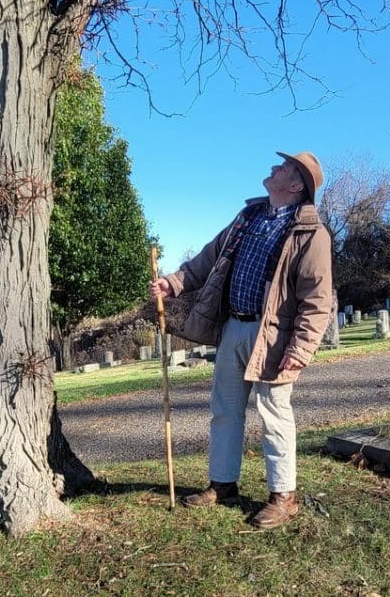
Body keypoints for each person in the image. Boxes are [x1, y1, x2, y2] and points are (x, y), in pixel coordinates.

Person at [149, 151, 333, 529]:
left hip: (276, 338)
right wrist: (173, 283)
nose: (273, 168)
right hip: (234, 326)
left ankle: (283, 497)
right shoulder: (248, 217)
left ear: (296, 185)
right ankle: (222, 484)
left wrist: (299, 351)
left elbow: (317, 301)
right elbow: (207, 258)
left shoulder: (311, 234)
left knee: (274, 413)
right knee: (224, 409)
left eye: (282, 168)